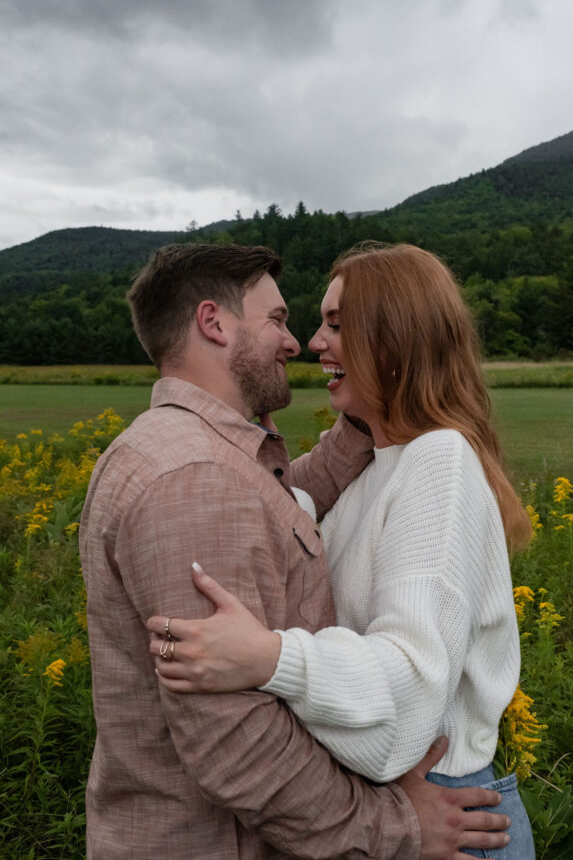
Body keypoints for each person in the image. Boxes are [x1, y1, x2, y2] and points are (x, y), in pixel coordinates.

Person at [79, 242, 514, 860]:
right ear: (214, 323)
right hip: (229, 840)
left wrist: (378, 410)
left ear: (388, 338)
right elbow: (235, 739)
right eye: (280, 320)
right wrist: (393, 829)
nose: (301, 342)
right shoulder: (195, 479)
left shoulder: (206, 459)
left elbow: (282, 508)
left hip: (441, 799)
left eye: (333, 325)